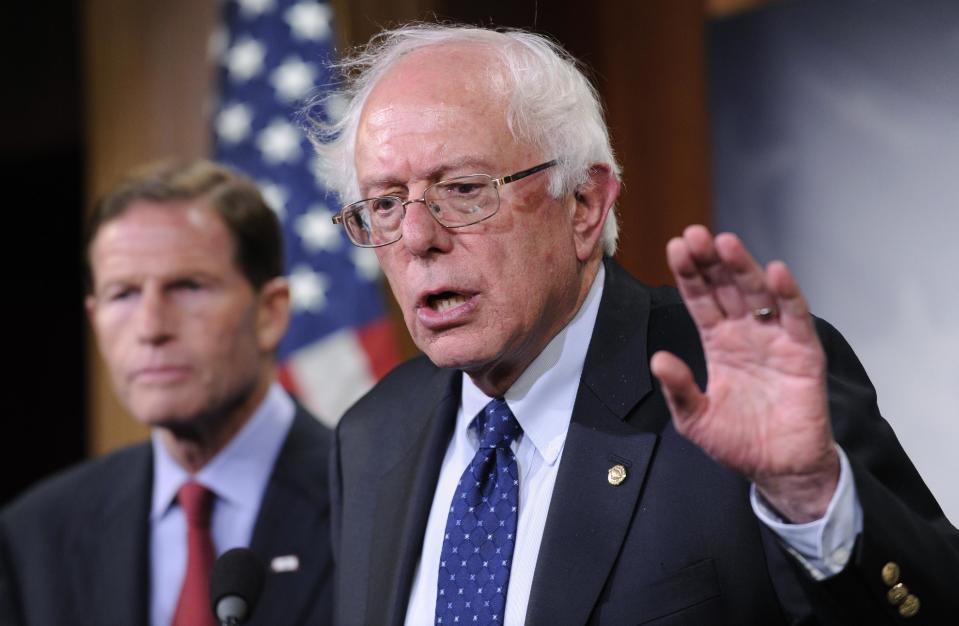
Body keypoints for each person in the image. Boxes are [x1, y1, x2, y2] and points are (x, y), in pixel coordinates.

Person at [309, 24, 959, 625]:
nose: (417, 238)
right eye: (386, 203)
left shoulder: (734, 385)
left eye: (464, 189)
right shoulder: (371, 435)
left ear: (585, 204)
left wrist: (813, 499)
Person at [0, 160, 334, 625]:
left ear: (269, 314)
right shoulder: (35, 535)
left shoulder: (368, 500)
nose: (151, 327)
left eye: (187, 287)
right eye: (123, 294)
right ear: (94, 318)